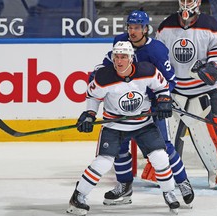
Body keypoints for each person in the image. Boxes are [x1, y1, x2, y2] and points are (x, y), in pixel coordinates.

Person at [91, 9, 194, 206]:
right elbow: (108, 67)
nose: (133, 31)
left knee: (164, 147)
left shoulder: (156, 50)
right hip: (125, 106)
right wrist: (96, 78)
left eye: (137, 27)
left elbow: (169, 80)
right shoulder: (120, 42)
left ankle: (182, 183)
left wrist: (163, 101)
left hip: (151, 108)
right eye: (130, 27)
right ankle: (124, 187)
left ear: (146, 29)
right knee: (119, 148)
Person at [67, 41, 180, 216]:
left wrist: (164, 100)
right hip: (114, 126)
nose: (119, 61)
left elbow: (162, 86)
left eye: (124, 57)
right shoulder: (103, 77)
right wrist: (89, 113)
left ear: (131, 58)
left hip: (143, 123)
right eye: (116, 57)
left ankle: (169, 192)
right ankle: (78, 196)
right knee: (103, 162)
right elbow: (92, 96)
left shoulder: (147, 71)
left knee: (160, 157)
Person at [156, 0, 217, 189]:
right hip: (175, 92)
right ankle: (161, 174)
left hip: (204, 92)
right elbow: (158, 56)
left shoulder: (211, 26)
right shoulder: (166, 26)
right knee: (165, 136)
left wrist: (213, 67)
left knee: (212, 136)